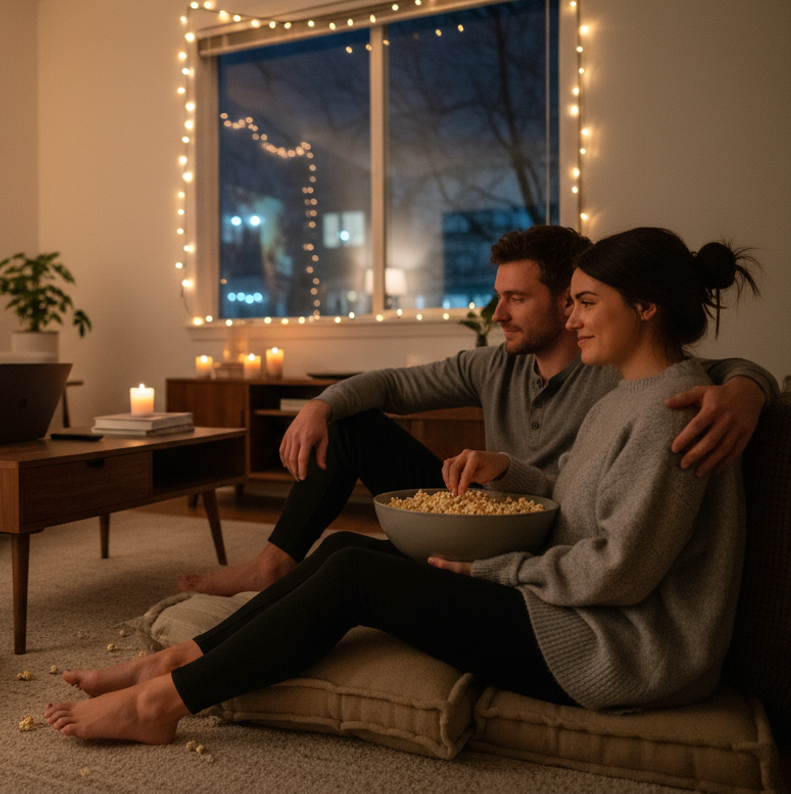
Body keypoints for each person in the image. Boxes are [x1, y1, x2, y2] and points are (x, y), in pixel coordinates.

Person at [45, 226, 759, 742]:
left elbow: (622, 571)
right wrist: (510, 473)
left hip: (611, 647)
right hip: (560, 598)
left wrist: (491, 569)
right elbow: (576, 500)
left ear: (646, 307)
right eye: (569, 302)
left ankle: (161, 706)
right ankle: (183, 659)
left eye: (585, 302)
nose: (572, 318)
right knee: (339, 553)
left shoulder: (675, 412)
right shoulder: (623, 395)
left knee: (358, 574)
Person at [179, 225, 777, 596]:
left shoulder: (617, 373)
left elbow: (705, 371)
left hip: (545, 540)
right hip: (480, 510)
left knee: (353, 565)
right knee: (350, 424)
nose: (499, 314)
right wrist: (319, 404)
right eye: (498, 297)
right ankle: (274, 564)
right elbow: (391, 383)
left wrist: (749, 389)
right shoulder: (494, 365)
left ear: (568, 300)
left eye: (516, 298)